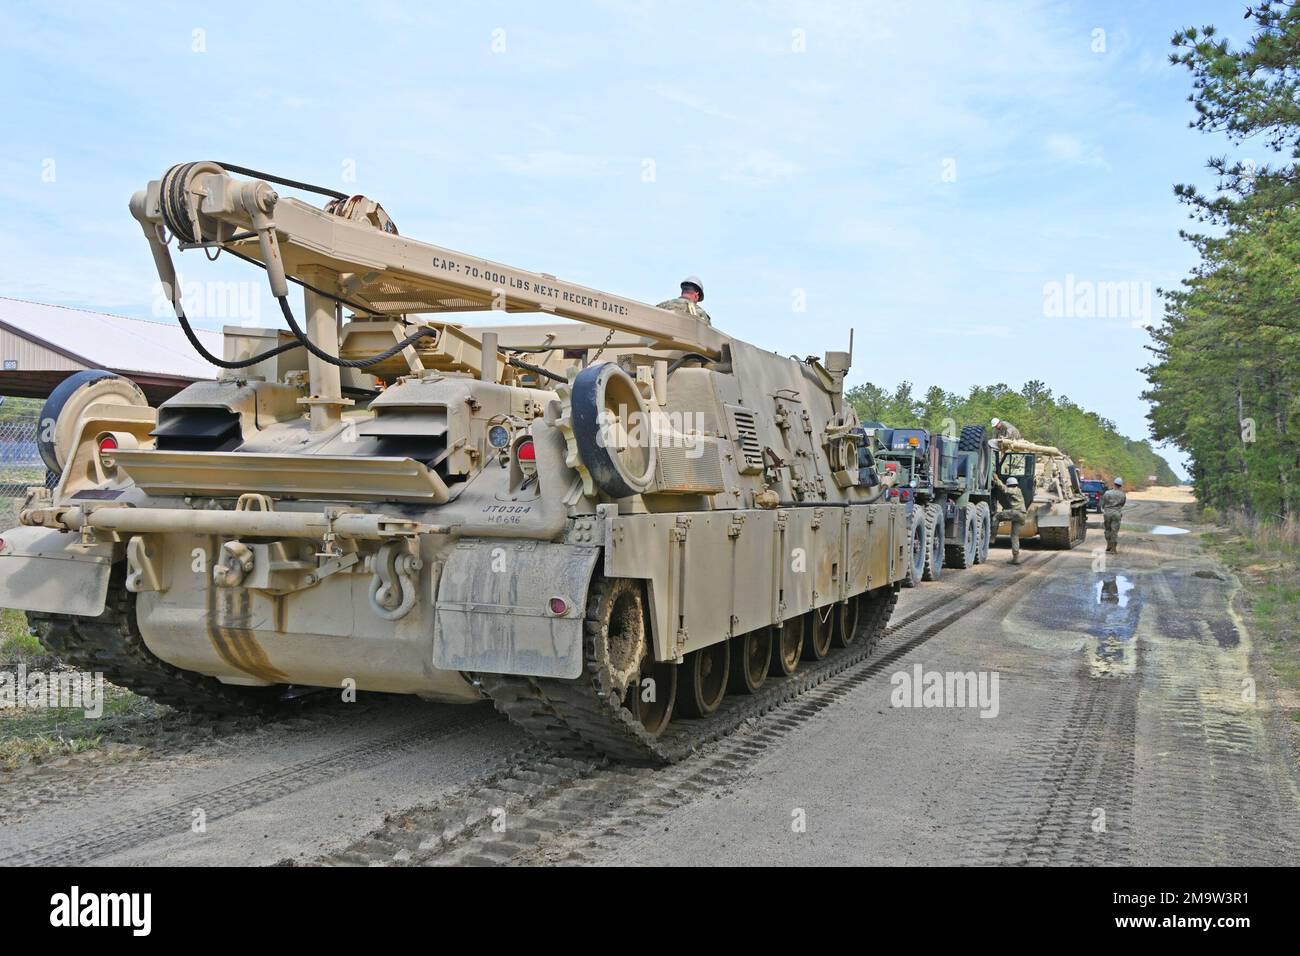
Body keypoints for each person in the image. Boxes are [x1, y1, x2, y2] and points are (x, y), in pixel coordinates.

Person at [992, 473, 1028, 564]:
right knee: (1015, 536)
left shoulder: (1016, 490)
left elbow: (1004, 489)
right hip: (1021, 516)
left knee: (996, 516)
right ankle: (1015, 558)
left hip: (1016, 513)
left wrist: (997, 480)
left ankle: (992, 538)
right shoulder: (1018, 490)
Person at [1102, 477, 1127, 554]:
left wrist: (1105, 508)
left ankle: (1108, 544)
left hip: (1107, 513)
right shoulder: (1123, 495)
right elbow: (1122, 504)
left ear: (1114, 484)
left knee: (1107, 530)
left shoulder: (1107, 493)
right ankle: (1113, 549)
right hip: (1116, 513)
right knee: (1114, 531)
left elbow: (1103, 503)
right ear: (1121, 485)